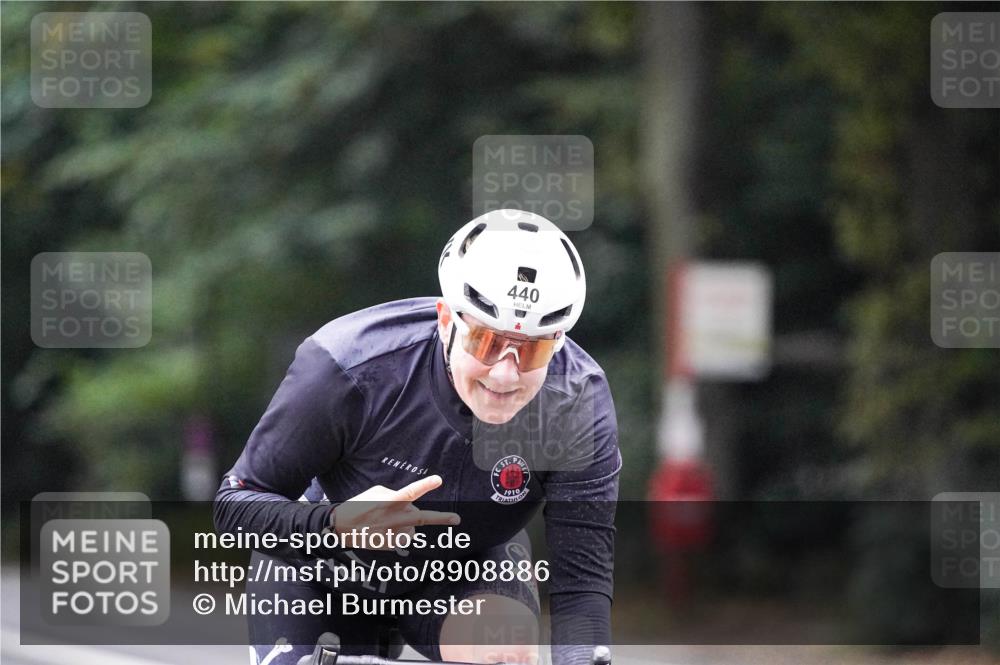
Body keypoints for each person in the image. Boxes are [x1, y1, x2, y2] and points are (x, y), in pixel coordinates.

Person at [214, 209, 621, 665]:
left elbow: (580, 580)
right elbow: (235, 506)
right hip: (322, 564)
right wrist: (335, 525)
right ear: (447, 319)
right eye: (487, 343)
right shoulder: (348, 367)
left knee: (505, 652)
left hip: (465, 570)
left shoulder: (574, 403)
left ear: (559, 341)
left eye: (534, 350)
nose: (506, 374)